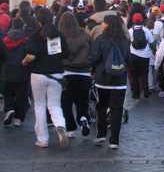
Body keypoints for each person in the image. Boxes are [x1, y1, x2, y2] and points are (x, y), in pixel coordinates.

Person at [22, 8, 70, 148]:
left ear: (38, 21)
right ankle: (61, 125)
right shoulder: (58, 34)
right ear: (52, 19)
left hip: (38, 74)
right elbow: (66, 54)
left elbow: (31, 55)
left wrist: (25, 61)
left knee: (40, 105)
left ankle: (42, 139)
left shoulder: (35, 35)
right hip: (56, 74)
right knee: (55, 105)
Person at [90, 14, 131, 149]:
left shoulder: (101, 40)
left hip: (102, 78)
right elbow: (128, 59)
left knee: (101, 106)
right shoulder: (124, 41)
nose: (101, 25)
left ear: (107, 24)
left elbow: (94, 57)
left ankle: (101, 134)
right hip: (119, 80)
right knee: (117, 109)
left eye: (103, 22)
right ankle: (114, 140)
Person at [58, 11, 92, 138]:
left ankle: (70, 128)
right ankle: (83, 118)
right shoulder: (85, 34)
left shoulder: (60, 36)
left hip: (65, 72)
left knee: (66, 103)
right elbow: (91, 51)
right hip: (84, 73)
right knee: (82, 101)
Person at [2, 17, 28, 128]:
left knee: (8, 92)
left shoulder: (5, 40)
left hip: (7, 70)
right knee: (21, 95)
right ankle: (19, 119)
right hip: (22, 71)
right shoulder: (25, 40)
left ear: (12, 26)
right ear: (23, 26)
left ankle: (9, 108)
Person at [129, 13, 154, 99]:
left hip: (133, 55)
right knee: (144, 73)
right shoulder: (146, 30)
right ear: (142, 20)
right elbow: (152, 42)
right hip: (145, 56)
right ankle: (145, 87)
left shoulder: (131, 31)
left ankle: (136, 93)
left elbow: (127, 42)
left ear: (133, 21)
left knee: (134, 75)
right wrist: (154, 50)